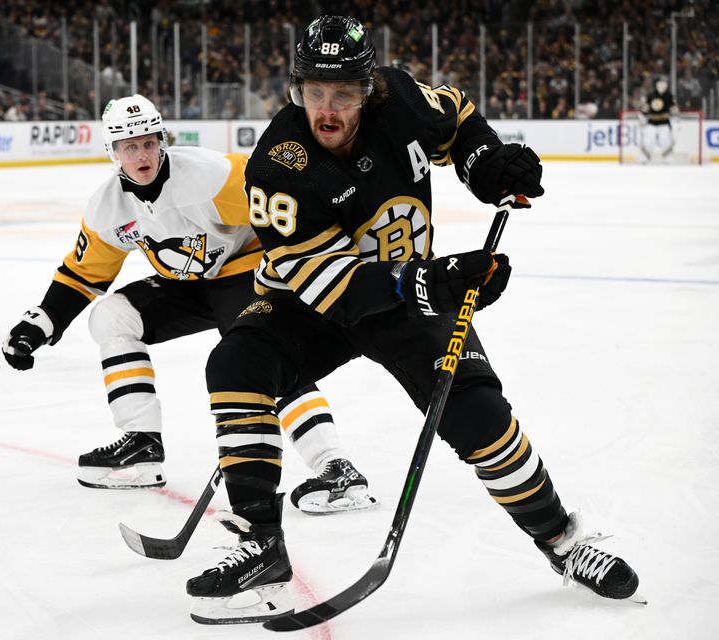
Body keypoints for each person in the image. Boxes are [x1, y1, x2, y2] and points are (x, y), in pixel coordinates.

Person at [185, 15, 641, 624]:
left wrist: (488, 167)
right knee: (236, 361)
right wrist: (437, 282)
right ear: (296, 90)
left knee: (479, 415)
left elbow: (457, 118)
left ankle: (562, 541)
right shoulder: (277, 167)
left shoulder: (400, 98)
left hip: (405, 297)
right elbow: (332, 287)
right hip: (319, 296)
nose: (327, 109)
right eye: (313, 92)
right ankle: (261, 546)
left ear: (368, 89)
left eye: (342, 94)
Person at [1, 94, 376, 514]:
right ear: (113, 152)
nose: (141, 154)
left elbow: (290, 202)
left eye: (148, 142)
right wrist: (40, 323)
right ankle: (142, 443)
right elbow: (83, 274)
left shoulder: (212, 177)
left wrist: (301, 263)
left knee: (265, 353)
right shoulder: (107, 208)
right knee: (111, 317)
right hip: (187, 283)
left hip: (245, 269)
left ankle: (336, 467)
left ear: (162, 139)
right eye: (129, 146)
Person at [639, 76, 679, 163]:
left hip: (664, 122)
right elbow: (645, 108)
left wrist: (676, 120)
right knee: (647, 140)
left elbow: (674, 109)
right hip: (651, 122)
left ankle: (668, 158)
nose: (662, 86)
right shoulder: (651, 95)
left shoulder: (669, 96)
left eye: (664, 84)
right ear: (656, 85)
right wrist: (642, 116)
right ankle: (645, 157)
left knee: (666, 140)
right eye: (660, 84)